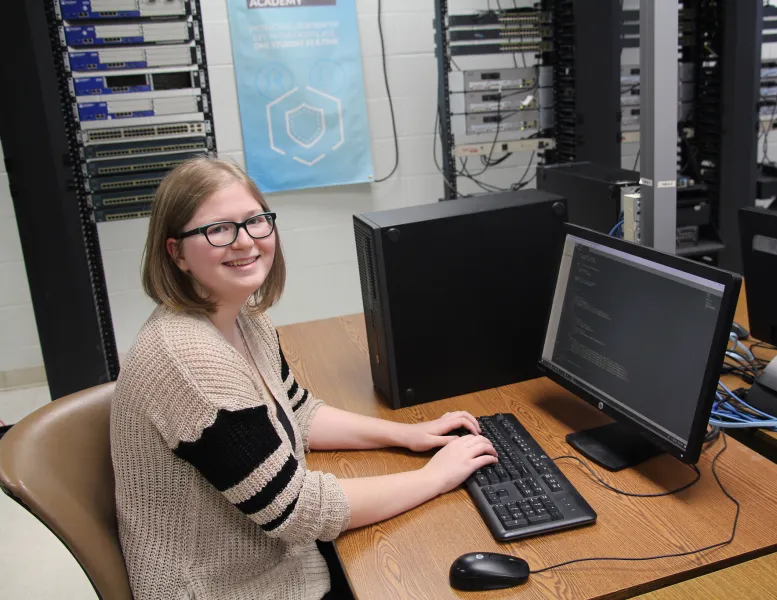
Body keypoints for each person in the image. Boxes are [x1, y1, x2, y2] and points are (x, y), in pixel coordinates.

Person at [111, 157, 499, 600]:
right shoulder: (188, 359)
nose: (245, 242)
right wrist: (434, 477)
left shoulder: (244, 319)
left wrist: (408, 435)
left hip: (271, 556)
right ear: (176, 251)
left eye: (255, 221)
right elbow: (295, 510)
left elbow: (298, 410)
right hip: (224, 587)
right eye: (218, 229)